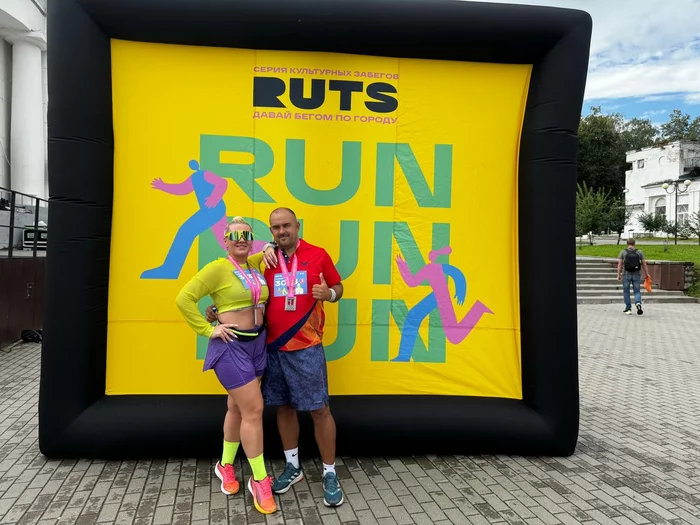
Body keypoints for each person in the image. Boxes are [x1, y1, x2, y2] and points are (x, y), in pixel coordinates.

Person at [205, 207, 345, 507]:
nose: (282, 231)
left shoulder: (318, 254)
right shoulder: (265, 260)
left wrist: (329, 295)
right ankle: (293, 467)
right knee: (283, 408)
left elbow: (338, 287)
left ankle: (330, 473)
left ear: (297, 226)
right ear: (270, 232)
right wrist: (218, 311)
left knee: (320, 410)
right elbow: (242, 292)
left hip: (307, 346)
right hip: (272, 347)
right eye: (275, 228)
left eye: (286, 226)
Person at [175, 216, 277, 515]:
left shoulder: (254, 265)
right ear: (226, 241)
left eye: (247, 235)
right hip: (231, 346)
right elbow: (184, 298)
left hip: (257, 344)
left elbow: (269, 249)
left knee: (236, 407)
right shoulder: (217, 268)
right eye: (235, 236)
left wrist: (268, 246)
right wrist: (208, 329)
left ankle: (225, 465)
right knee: (254, 409)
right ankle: (260, 480)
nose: (241, 240)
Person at [617, 238, 649, 315]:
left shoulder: (623, 252)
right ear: (634, 243)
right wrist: (647, 273)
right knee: (637, 291)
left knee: (626, 291)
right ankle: (638, 303)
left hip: (626, 274)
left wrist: (618, 274)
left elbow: (620, 264)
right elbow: (644, 263)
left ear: (627, 244)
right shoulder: (639, 252)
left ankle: (628, 309)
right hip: (636, 274)